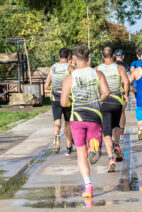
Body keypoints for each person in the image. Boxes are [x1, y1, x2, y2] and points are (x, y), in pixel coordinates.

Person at [61, 45, 109, 198]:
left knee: (81, 154)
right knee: (96, 151)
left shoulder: (70, 78)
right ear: (88, 58)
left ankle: (88, 186)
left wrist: (72, 102)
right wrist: (97, 99)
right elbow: (106, 92)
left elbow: (63, 102)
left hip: (77, 118)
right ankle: (95, 147)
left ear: (75, 59)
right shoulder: (98, 73)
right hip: (94, 116)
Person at [97, 47, 129, 172]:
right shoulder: (119, 68)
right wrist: (126, 94)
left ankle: (111, 158)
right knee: (116, 124)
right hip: (117, 102)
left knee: (106, 131)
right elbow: (126, 82)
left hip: (104, 102)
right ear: (114, 55)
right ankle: (117, 144)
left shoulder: (97, 69)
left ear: (102, 56)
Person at [45, 48, 74, 155]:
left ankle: (56, 136)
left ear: (59, 57)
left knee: (57, 122)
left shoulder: (53, 67)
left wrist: (53, 89)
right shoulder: (70, 68)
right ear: (69, 58)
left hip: (55, 98)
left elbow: (46, 85)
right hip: (67, 99)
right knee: (67, 123)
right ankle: (68, 146)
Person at [115, 49, 130, 140]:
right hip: (123, 90)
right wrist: (127, 94)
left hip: (113, 91)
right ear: (123, 56)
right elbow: (127, 80)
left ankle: (113, 132)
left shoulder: (112, 65)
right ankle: (121, 132)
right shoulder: (125, 66)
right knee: (122, 112)